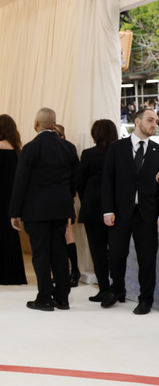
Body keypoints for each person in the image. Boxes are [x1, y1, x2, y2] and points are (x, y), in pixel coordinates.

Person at [10, 108, 78, 311]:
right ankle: (63, 298)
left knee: (41, 253)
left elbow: (20, 182)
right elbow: (75, 179)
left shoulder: (31, 148)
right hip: (60, 208)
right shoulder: (68, 147)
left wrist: (15, 211)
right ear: (54, 123)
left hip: (36, 210)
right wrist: (67, 200)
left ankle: (45, 297)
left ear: (36, 123)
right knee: (58, 251)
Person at [101, 108, 159, 314]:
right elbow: (107, 180)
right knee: (116, 254)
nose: (154, 124)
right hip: (120, 212)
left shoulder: (157, 151)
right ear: (137, 121)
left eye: (156, 121)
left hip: (147, 214)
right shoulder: (117, 148)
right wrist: (107, 210)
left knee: (147, 258)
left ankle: (145, 299)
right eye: (150, 120)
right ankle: (117, 290)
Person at [77, 119, 118, 302]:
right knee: (117, 250)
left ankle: (104, 288)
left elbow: (79, 181)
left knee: (98, 250)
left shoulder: (88, 154)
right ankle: (118, 288)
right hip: (117, 207)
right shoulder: (121, 153)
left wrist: (87, 197)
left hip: (93, 207)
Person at [0, 114, 27, 285]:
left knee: (4, 234)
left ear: (2, 127)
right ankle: (15, 274)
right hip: (11, 194)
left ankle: (4, 275)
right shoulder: (15, 146)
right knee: (11, 234)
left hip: (0, 195)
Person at [53, 124, 82, 287]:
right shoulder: (68, 149)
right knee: (64, 234)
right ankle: (68, 272)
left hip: (65, 198)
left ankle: (75, 271)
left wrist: (71, 194)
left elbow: (74, 176)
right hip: (65, 197)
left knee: (67, 233)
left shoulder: (66, 149)